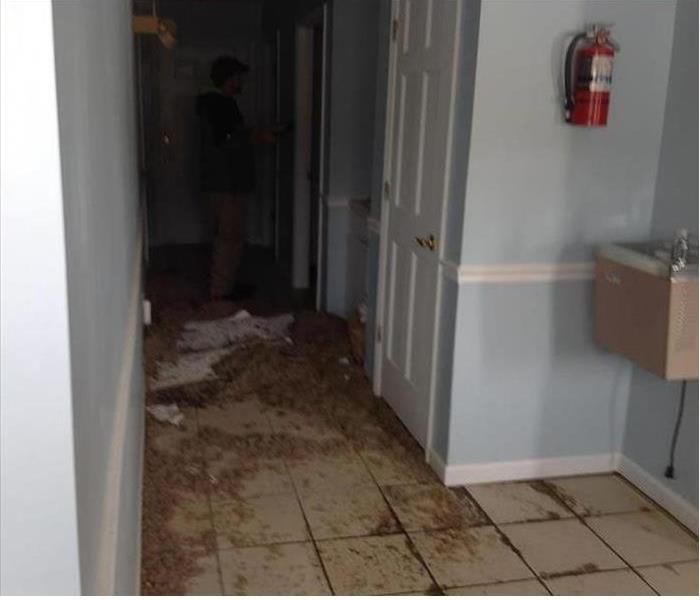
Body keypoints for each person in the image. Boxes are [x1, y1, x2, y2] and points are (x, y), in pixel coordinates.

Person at [196, 56, 272, 300]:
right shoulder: (220, 106)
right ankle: (219, 294)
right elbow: (230, 142)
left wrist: (256, 136)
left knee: (231, 237)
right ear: (228, 79)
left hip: (225, 183)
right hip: (226, 185)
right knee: (228, 239)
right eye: (238, 77)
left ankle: (225, 287)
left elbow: (231, 138)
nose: (241, 81)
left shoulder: (217, 105)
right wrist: (259, 137)